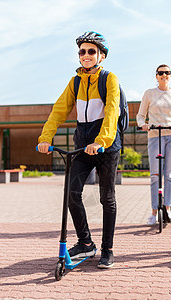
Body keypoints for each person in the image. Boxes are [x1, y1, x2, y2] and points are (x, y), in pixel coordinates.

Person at [37, 31, 121, 269]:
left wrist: (102, 141)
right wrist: (46, 137)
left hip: (106, 145)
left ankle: (107, 249)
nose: (86, 55)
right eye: (82, 52)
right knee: (71, 192)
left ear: (101, 56)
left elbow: (112, 112)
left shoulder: (109, 79)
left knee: (107, 198)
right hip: (83, 144)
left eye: (91, 51)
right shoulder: (75, 81)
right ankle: (85, 242)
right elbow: (59, 110)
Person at [136, 64, 171, 225]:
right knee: (155, 175)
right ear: (156, 76)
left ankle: (168, 208)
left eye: (167, 73)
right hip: (154, 135)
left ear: (170, 75)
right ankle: (154, 212)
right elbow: (141, 115)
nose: (164, 75)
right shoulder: (149, 93)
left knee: (170, 175)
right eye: (161, 73)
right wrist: (143, 124)